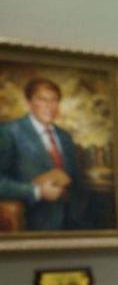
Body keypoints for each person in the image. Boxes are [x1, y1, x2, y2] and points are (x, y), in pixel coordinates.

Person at [0, 78, 86, 230]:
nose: (49, 107)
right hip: (32, 224)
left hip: (72, 223)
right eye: (42, 99)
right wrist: (37, 191)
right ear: (29, 103)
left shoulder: (65, 137)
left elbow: (77, 181)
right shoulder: (9, 132)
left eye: (54, 101)